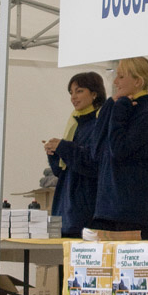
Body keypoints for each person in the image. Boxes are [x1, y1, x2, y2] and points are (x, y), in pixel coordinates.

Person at [88, 57, 148, 240]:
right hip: (108, 208)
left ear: (138, 81)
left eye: (121, 77)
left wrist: (120, 108)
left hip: (132, 211)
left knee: (127, 260)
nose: (115, 82)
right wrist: (109, 106)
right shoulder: (120, 107)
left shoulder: (147, 113)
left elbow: (119, 149)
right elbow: (95, 150)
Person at [43, 71, 106, 238]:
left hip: (85, 210)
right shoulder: (74, 124)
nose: (73, 97)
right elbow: (61, 170)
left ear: (94, 94)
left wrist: (64, 147)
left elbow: (93, 163)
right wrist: (54, 153)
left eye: (79, 91)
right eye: (71, 92)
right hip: (66, 208)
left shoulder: (99, 124)